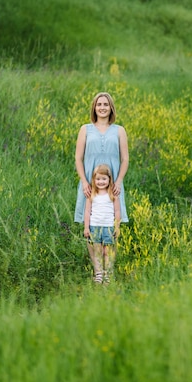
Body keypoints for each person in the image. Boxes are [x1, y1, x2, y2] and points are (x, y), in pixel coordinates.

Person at [74, 92, 129, 225]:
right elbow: (78, 158)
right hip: (90, 183)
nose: (102, 107)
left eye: (106, 104)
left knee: (112, 223)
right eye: (99, 104)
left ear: (111, 108)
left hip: (112, 183)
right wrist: (84, 182)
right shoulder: (85, 129)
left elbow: (125, 159)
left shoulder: (119, 130)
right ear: (94, 108)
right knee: (89, 222)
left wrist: (119, 181)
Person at [84, 164, 120, 283]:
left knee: (107, 252)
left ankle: (107, 273)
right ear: (94, 180)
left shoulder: (113, 194)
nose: (101, 182)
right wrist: (86, 227)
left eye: (104, 179)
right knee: (97, 251)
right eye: (98, 179)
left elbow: (117, 211)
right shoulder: (92, 194)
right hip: (95, 226)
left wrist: (117, 227)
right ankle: (98, 273)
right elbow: (87, 212)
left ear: (109, 179)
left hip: (108, 227)